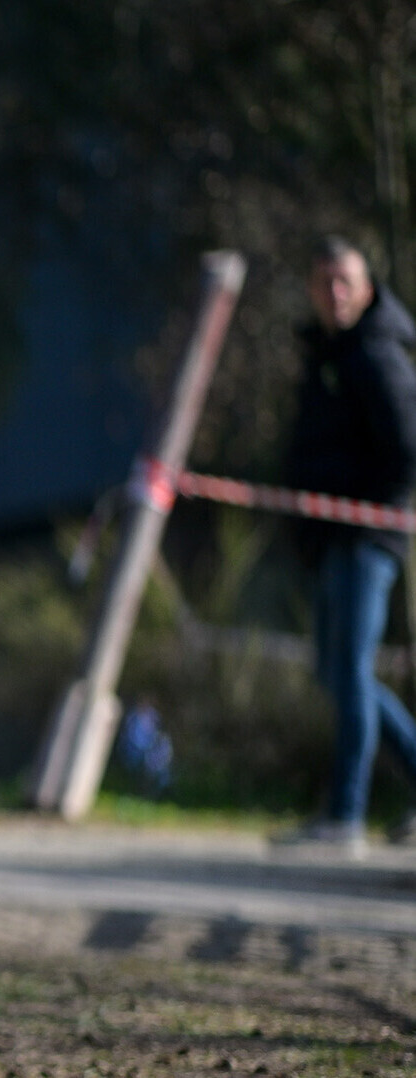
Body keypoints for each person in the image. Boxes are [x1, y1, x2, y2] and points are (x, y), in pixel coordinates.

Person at [275, 236, 416, 854]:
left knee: (351, 671)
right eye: (324, 282)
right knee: (336, 674)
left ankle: (344, 817)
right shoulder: (331, 354)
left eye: (345, 281)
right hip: (336, 536)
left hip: (367, 536)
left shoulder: (376, 354)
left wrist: (373, 510)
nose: (334, 293)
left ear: (366, 287)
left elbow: (409, 448)